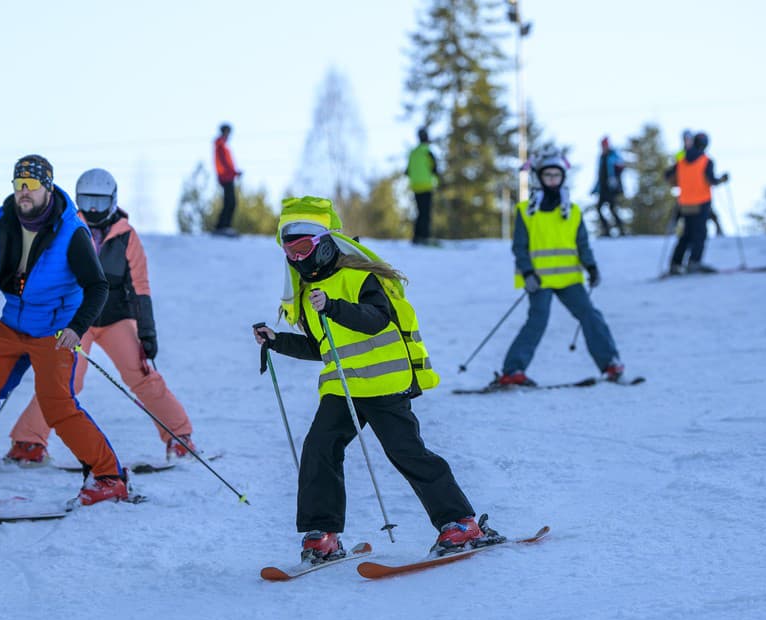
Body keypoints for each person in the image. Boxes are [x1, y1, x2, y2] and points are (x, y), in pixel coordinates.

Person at [252, 196, 497, 562]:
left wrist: (333, 307)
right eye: (289, 251)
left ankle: (461, 523)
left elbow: (375, 320)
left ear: (324, 243)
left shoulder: (360, 276)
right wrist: (277, 341)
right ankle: (322, 535)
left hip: (384, 384)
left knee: (406, 452)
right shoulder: (305, 295)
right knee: (320, 449)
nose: (297, 258)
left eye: (304, 248)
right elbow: (323, 347)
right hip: (342, 387)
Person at [0, 155, 128, 507]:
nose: (24, 193)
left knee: (57, 405)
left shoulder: (70, 231)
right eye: (19, 185)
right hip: (12, 325)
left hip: (55, 330)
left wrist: (77, 328)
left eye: (31, 185)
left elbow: (97, 286)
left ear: (47, 187)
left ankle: (108, 477)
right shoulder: (4, 222)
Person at [7, 168, 198, 465]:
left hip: (115, 319)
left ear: (112, 199)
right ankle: (28, 442)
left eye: (99, 200)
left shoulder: (127, 238)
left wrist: (147, 332)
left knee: (142, 374)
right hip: (76, 320)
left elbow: (140, 288)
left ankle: (179, 437)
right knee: (65, 380)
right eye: (86, 200)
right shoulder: (65, 229)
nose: (93, 208)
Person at [493, 147, 625, 387]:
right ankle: (512, 371)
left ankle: (611, 364)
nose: (552, 180)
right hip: (539, 280)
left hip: (569, 279)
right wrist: (528, 272)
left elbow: (582, 244)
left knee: (590, 315)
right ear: (539, 178)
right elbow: (519, 247)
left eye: (556, 175)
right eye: (547, 176)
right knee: (537, 321)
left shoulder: (572, 211)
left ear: (563, 177)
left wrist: (592, 267)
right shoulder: (526, 211)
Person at [666, 132, 729, 274]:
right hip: (701, 203)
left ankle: (675, 263)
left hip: (685, 204)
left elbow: (668, 176)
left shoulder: (681, 161)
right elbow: (711, 180)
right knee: (700, 233)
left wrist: (678, 183)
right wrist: (723, 179)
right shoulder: (706, 161)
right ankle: (694, 262)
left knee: (686, 234)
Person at [405, 127, 439, 245]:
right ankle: (424, 237)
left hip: (415, 186)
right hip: (426, 186)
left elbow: (407, 171)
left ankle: (417, 237)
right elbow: (434, 168)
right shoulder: (428, 152)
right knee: (425, 213)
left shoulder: (413, 153)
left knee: (419, 212)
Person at [591, 136, 625, 237]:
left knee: (612, 208)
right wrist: (595, 189)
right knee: (599, 208)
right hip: (603, 189)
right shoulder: (601, 157)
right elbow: (600, 175)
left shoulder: (613, 154)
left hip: (611, 188)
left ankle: (621, 230)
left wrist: (615, 179)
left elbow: (621, 165)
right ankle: (606, 230)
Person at [213, 123, 241, 237]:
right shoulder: (220, 146)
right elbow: (224, 164)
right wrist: (234, 172)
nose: (229, 135)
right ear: (224, 132)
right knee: (230, 202)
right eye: (228, 132)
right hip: (226, 177)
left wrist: (234, 172)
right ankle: (223, 227)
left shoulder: (222, 145)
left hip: (228, 176)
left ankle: (222, 226)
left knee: (229, 202)